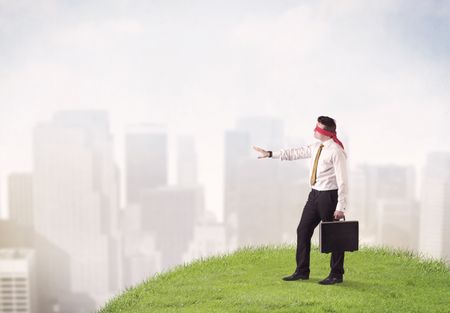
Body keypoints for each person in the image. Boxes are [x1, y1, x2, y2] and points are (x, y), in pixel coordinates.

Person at [252, 116, 348, 285]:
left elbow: (343, 181)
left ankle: (336, 274)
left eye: (317, 128)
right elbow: (295, 153)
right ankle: (302, 271)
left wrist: (341, 207)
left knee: (334, 237)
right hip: (314, 195)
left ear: (325, 132)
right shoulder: (317, 147)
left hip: (329, 197)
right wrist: (270, 154)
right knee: (303, 230)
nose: (314, 130)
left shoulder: (336, 151)